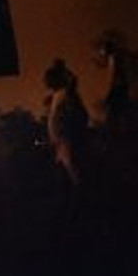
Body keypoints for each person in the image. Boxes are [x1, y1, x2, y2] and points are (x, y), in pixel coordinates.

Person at [44, 59, 90, 188]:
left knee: (71, 171)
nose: (45, 82)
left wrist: (56, 134)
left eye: (48, 79)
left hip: (66, 138)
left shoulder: (64, 95)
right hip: (63, 139)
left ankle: (81, 195)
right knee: (66, 171)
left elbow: (57, 117)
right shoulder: (60, 95)